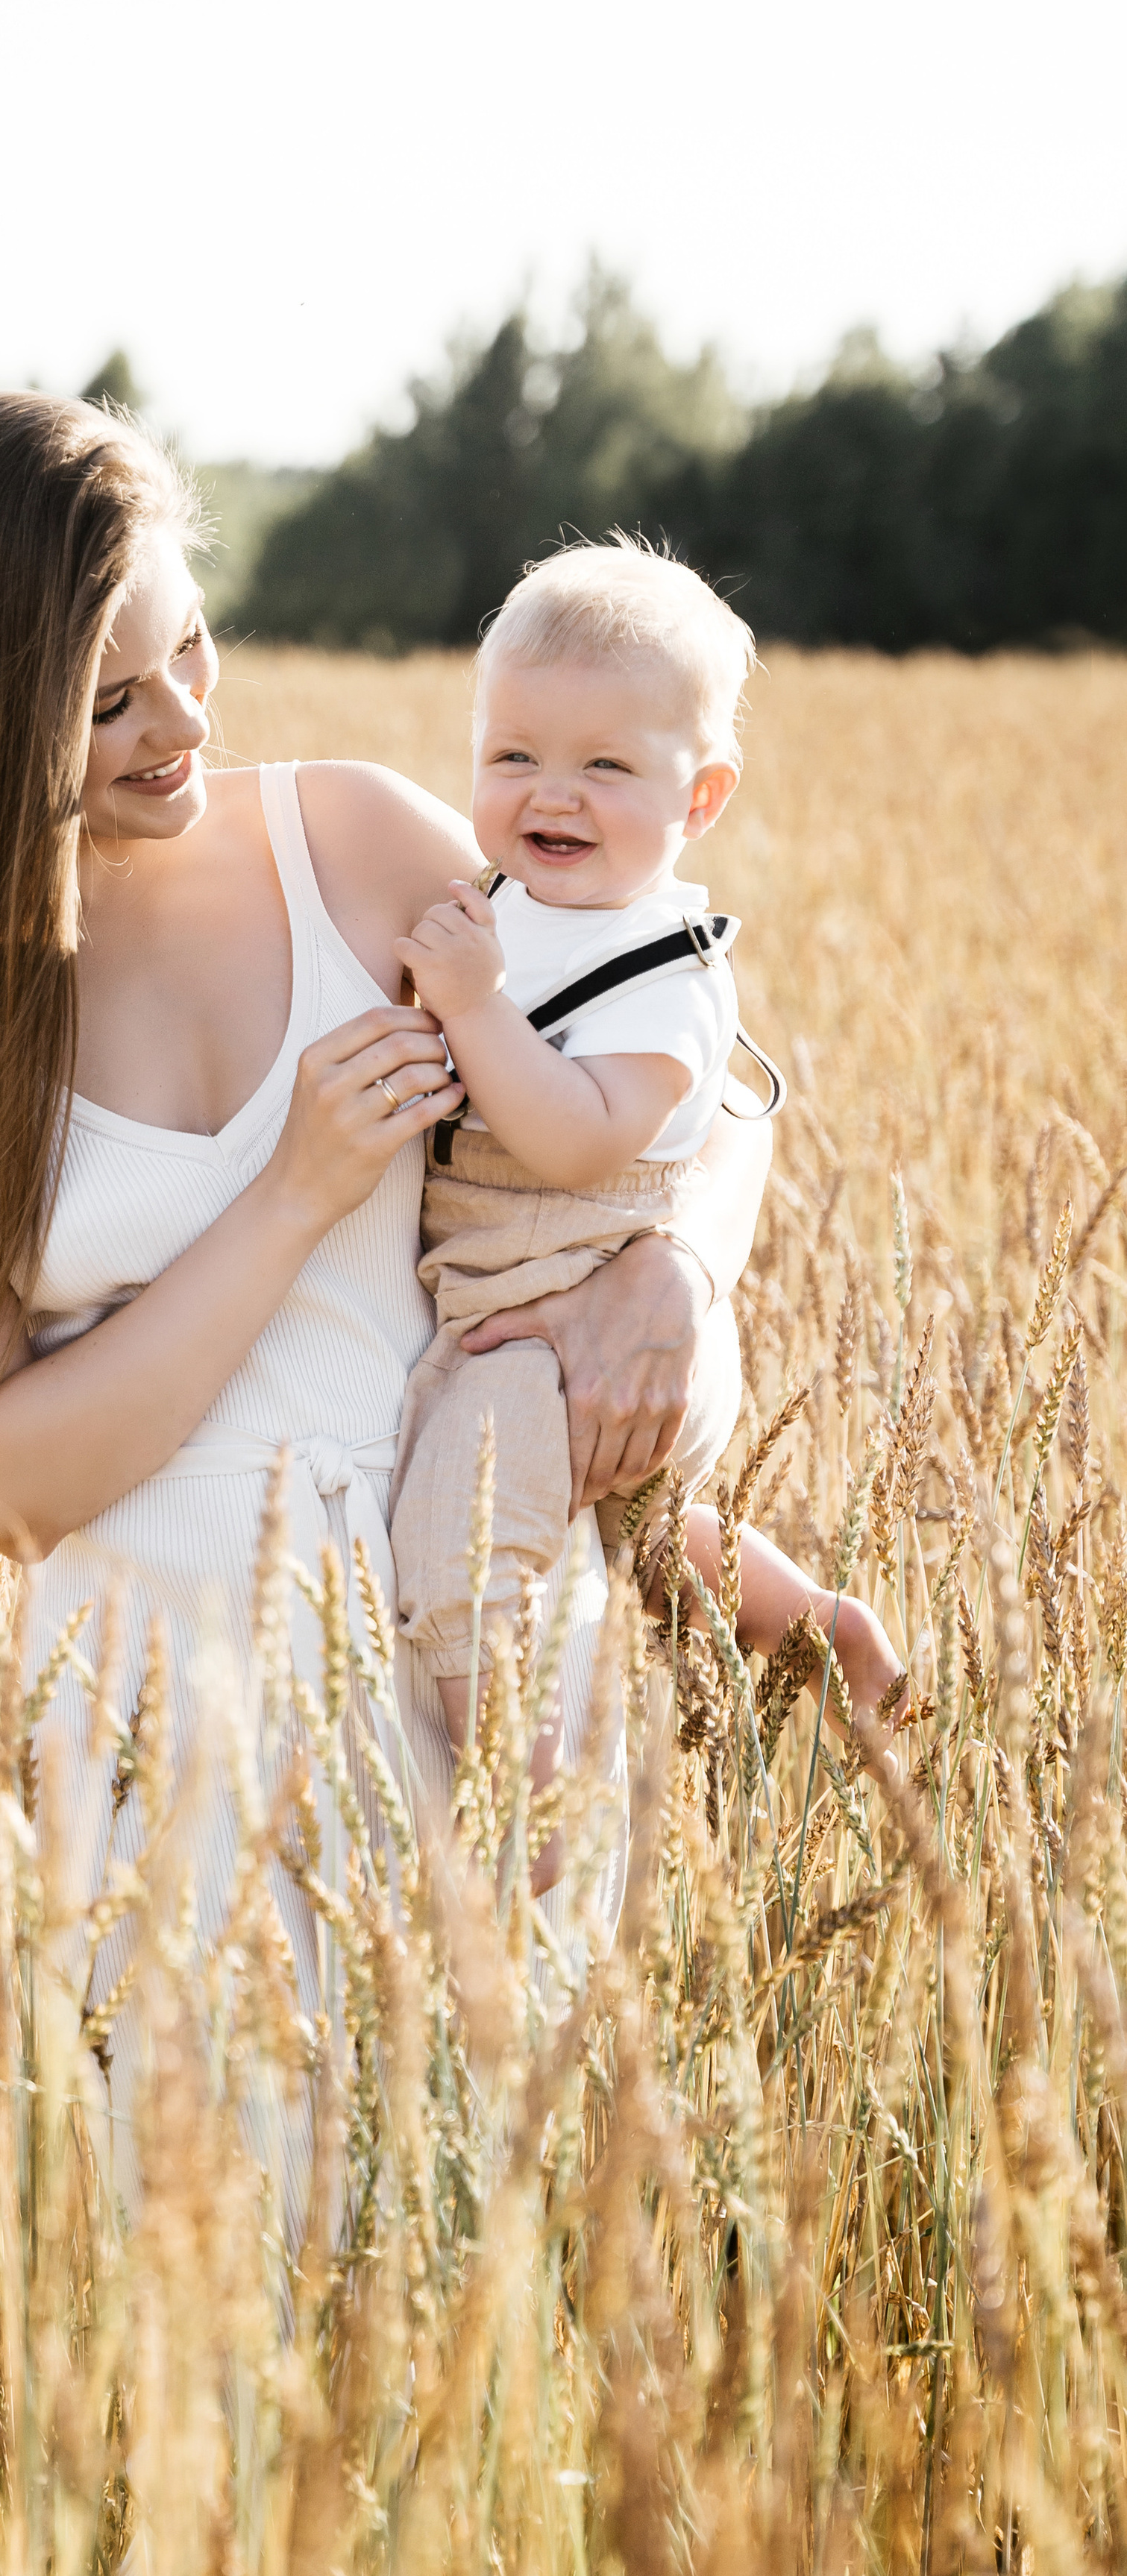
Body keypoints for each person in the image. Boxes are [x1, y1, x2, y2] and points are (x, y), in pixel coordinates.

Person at [0, 398, 772, 2229]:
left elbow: (678, 1070)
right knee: (217, 2334)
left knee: (497, 2302)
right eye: (110, 698)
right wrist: (293, 1192)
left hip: (483, 1679)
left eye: (189, 651)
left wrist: (678, 1273)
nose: (185, 724)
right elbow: (2, 1481)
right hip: (156, 1732)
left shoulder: (355, 846)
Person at [389, 542, 898, 1848]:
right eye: (513, 757)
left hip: (583, 1319)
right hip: (527, 1310)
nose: (552, 794)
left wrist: (467, 1005)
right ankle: (824, 1628)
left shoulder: (664, 970)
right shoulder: (514, 905)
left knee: (457, 1525)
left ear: (703, 796)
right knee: (643, 1533)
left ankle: (529, 1784)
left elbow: (571, 1140)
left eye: (606, 767)